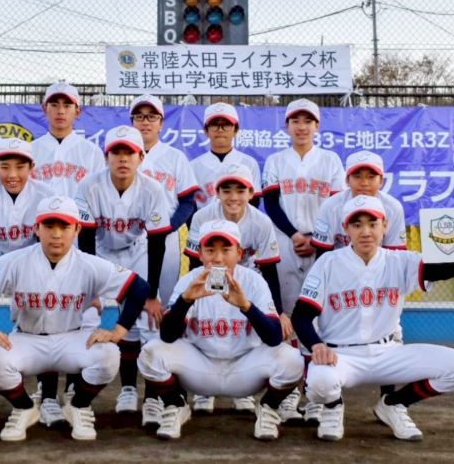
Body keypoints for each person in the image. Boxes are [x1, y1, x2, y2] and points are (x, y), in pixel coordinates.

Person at [292, 195, 454, 441]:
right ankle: (333, 407)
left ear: (385, 226)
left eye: (373, 223)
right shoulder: (328, 263)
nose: (365, 232)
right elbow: (302, 316)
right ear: (346, 228)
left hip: (387, 353)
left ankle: (394, 403)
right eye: (357, 224)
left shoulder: (400, 260)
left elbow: (444, 269)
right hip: (342, 356)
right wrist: (317, 345)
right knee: (318, 383)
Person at [0, 196, 149, 441]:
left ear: (77, 229)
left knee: (109, 354)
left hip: (71, 338)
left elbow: (140, 288)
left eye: (64, 226)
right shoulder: (15, 261)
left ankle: (78, 406)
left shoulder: (89, 264)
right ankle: (24, 408)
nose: (56, 234)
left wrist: (118, 331)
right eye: (49, 226)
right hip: (28, 338)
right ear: (36, 229)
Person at [137, 220, 304, 440]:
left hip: (246, 369)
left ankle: (267, 409)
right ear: (199, 254)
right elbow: (167, 336)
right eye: (210, 250)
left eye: (226, 250)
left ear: (239, 253)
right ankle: (176, 406)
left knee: (292, 360)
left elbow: (274, 338)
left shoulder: (254, 282)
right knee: (151, 352)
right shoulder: (190, 281)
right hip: (200, 367)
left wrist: (246, 306)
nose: (217, 258)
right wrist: (186, 301)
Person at [0, 138, 67, 426]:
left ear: (32, 167)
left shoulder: (46, 195)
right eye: (5, 166)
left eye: (20, 166)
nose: (12, 174)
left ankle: (48, 398)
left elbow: (52, 246)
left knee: (44, 319)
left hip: (34, 258)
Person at [75, 125, 171, 425]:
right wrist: (95, 291)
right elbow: (86, 240)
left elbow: (157, 243)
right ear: (106, 157)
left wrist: (152, 294)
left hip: (139, 251)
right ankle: (127, 388)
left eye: (129, 152)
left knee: (150, 322)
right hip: (101, 252)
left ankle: (153, 398)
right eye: (116, 152)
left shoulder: (153, 189)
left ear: (141, 157)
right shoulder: (89, 186)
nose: (123, 158)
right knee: (105, 318)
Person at [262, 98, 346, 424]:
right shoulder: (275, 160)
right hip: (285, 242)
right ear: (286, 126)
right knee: (287, 315)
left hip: (322, 245)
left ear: (317, 126)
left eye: (307, 121)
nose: (301, 126)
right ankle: (288, 393)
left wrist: (316, 238)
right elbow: (271, 204)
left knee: (319, 316)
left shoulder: (330, 161)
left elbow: (337, 206)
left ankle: (316, 394)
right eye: (295, 121)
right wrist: (296, 234)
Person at [30, 82, 106, 409]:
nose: (60, 111)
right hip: (43, 239)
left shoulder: (90, 152)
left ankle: (74, 388)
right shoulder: (32, 150)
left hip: (79, 238)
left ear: (78, 110)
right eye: (54, 104)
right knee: (45, 314)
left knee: (80, 313)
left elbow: (96, 202)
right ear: (45, 109)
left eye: (67, 105)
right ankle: (47, 392)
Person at [184, 163, 282, 414]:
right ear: (216, 193)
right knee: (207, 324)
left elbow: (269, 269)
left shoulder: (261, 222)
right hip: (209, 273)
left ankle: (243, 390)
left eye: (240, 190)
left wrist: (279, 312)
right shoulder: (202, 217)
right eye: (226, 190)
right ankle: (204, 389)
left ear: (251, 193)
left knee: (245, 327)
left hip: (247, 276)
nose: (233, 197)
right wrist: (195, 291)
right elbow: (195, 262)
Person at [311, 150, 407, 397]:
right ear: (347, 180)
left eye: (371, 176)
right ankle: (321, 398)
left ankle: (389, 401)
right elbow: (322, 252)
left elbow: (397, 256)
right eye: (357, 176)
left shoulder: (392, 208)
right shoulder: (332, 206)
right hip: (339, 277)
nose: (364, 182)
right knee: (325, 332)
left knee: (389, 336)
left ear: (381, 180)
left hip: (381, 278)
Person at [131, 94, 199, 306]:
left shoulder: (175, 157)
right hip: (129, 236)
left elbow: (188, 201)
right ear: (132, 122)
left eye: (152, 117)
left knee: (166, 299)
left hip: (167, 238)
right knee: (131, 300)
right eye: (139, 117)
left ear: (161, 123)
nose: (145, 122)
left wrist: (168, 227)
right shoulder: (121, 156)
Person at [191, 102, 262, 209]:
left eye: (226, 125)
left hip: (241, 220)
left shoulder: (249, 163)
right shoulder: (193, 167)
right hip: (204, 220)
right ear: (206, 131)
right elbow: (189, 205)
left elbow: (254, 201)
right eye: (214, 125)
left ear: (236, 130)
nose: (220, 130)